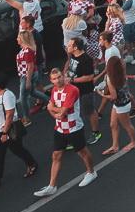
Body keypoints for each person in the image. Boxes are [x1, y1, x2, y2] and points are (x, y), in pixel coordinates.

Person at [34, 67, 98, 196]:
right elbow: (54, 110)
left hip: (74, 128)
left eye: (59, 77)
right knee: (56, 155)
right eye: (54, 79)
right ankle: (52, 185)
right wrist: (55, 114)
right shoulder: (54, 90)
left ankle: (91, 172)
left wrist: (53, 109)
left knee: (82, 152)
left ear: (63, 76)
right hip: (59, 128)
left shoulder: (72, 90)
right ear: (51, 80)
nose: (57, 80)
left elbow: (64, 110)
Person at [0, 73, 38, 193]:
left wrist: (4, 133)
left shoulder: (7, 96)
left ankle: (32, 163)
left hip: (7, 130)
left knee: (18, 150)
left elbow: (10, 115)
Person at [99, 55, 135, 154]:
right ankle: (115, 146)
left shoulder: (111, 79)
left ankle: (134, 142)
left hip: (121, 105)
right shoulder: (122, 74)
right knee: (113, 124)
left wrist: (102, 94)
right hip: (122, 102)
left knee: (127, 125)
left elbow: (113, 96)